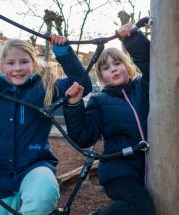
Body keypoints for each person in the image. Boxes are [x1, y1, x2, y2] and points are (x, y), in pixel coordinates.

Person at [0, 36, 92, 215]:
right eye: (11, 63)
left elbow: (83, 84)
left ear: (34, 64)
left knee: (44, 192)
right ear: (2, 67)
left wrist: (63, 53)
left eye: (24, 61)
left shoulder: (46, 88)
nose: (17, 68)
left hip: (34, 166)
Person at [64, 23, 154, 215]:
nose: (113, 69)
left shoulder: (143, 88)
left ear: (128, 66)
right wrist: (74, 105)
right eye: (106, 68)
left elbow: (151, 63)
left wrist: (131, 38)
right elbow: (83, 136)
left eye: (117, 63)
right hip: (119, 169)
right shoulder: (100, 101)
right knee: (141, 208)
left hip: (150, 167)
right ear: (102, 77)